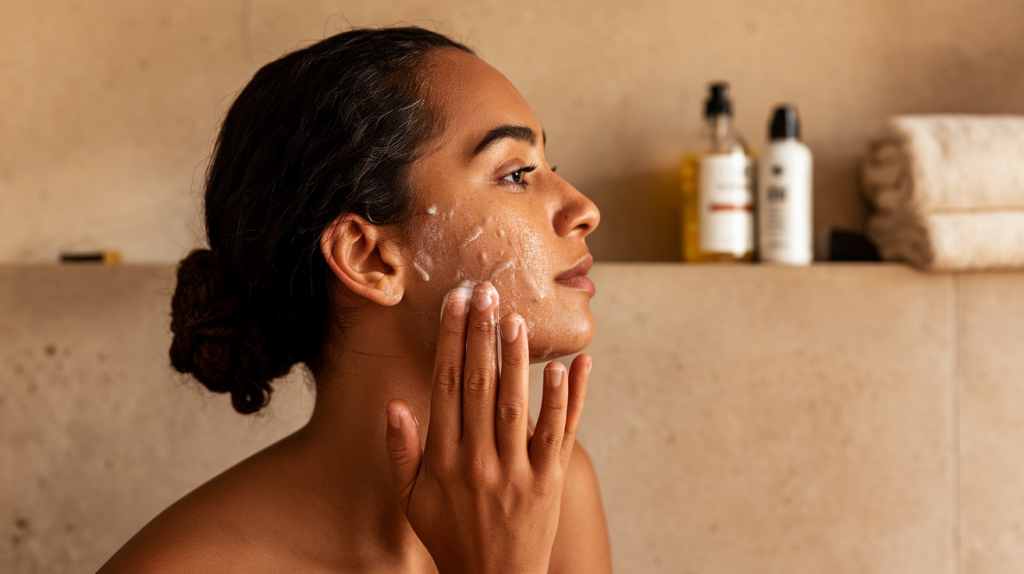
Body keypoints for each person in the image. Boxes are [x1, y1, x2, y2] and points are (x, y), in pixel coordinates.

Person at [99, 26, 610, 573]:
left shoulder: (546, 488)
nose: (584, 209)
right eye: (515, 174)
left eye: (549, 168)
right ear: (368, 258)